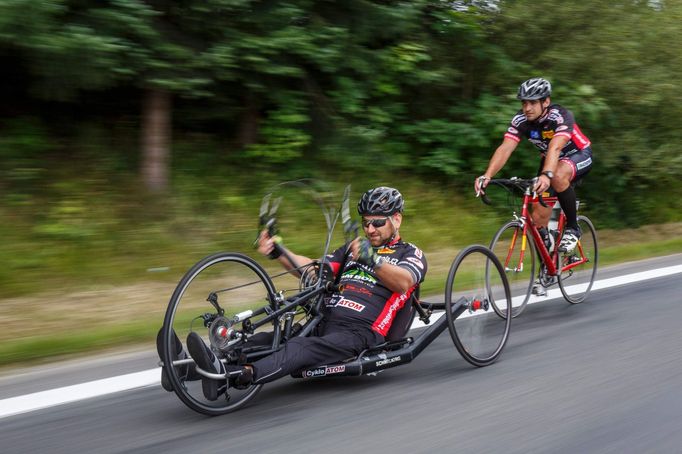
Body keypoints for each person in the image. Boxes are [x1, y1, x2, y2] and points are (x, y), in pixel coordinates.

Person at [183, 186, 428, 400]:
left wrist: (371, 259)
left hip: (361, 332)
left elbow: (404, 283)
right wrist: (277, 251)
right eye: (365, 223)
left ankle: (240, 377)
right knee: (270, 339)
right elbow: (312, 269)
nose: (370, 229)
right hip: (325, 321)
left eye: (377, 222)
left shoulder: (410, 253)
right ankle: (188, 368)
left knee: (299, 348)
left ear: (397, 219)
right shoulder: (352, 250)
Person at [474, 77, 593, 295]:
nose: (527, 108)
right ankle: (549, 264)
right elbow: (505, 148)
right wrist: (487, 175)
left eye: (532, 102)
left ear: (545, 102)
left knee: (556, 175)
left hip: (577, 154)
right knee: (538, 219)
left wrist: (547, 175)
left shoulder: (560, 116)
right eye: (524, 103)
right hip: (551, 161)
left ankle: (573, 227)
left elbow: (556, 147)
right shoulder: (521, 121)